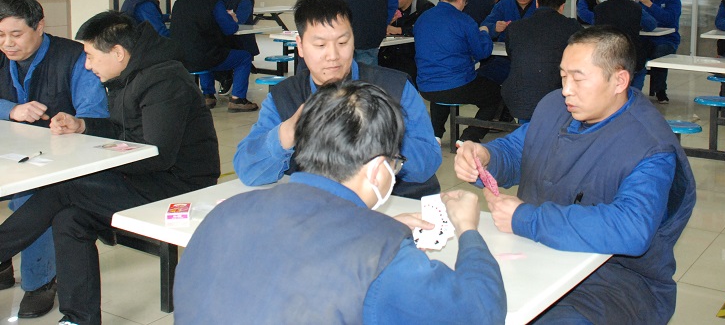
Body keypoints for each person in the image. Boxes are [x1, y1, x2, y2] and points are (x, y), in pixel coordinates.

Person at [177, 82, 506, 324]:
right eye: (396, 163)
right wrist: (468, 230)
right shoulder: (383, 258)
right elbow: (480, 313)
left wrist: (377, 231)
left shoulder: (224, 215)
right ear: (377, 170)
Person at [455, 26, 696, 324]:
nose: (566, 89)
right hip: (537, 252)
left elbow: (631, 228)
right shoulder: (554, 106)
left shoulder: (650, 146)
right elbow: (520, 150)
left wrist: (526, 219)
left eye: (578, 78)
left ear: (619, 80)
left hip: (612, 281)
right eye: (563, 76)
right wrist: (486, 157)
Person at [0, 11, 220, 325]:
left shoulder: (164, 79)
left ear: (117, 52)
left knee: (64, 187)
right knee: (69, 219)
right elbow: (124, 131)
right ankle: (79, 319)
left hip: (179, 187)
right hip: (143, 177)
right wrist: (82, 125)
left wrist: (99, 166)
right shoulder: (129, 74)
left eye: (90, 56)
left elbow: (157, 155)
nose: (87, 65)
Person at [234, 0, 441, 199]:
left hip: (395, 205)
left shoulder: (395, 87)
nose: (333, 56)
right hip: (320, 208)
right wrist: (289, 131)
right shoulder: (284, 97)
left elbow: (428, 163)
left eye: (342, 42)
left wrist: (377, 133)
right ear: (300, 46)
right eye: (320, 45)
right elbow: (249, 171)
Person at [0, 0, 108, 319]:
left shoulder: (74, 57)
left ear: (39, 26)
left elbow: (95, 113)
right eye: (0, 35)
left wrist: (74, 123)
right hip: (13, 152)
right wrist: (12, 110)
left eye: (16, 34)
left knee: (33, 197)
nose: (7, 44)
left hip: (63, 160)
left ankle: (40, 280)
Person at [415, 0, 502, 142]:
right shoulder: (464, 21)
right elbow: (483, 52)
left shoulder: (422, 18)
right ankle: (469, 137)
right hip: (457, 85)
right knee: (496, 95)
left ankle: (435, 135)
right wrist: (484, 32)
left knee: (441, 89)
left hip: (425, 86)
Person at [169, 0, 258, 112]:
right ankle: (238, 99)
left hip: (181, 57)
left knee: (202, 51)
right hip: (205, 57)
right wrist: (231, 19)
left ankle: (208, 95)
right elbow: (230, 29)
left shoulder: (179, 2)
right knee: (243, 57)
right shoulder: (214, 2)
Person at [501, 0, 582, 122]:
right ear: (562, 7)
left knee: (528, 127)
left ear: (537, 3)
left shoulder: (515, 27)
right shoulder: (572, 27)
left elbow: (512, 55)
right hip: (557, 99)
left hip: (518, 98)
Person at [595, 0, 657, 91]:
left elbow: (597, 31)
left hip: (608, 56)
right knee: (639, 69)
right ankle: (634, 95)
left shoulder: (599, 8)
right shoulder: (636, 7)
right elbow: (651, 24)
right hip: (632, 55)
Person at [480, 0, 538, 84]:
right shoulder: (503, 5)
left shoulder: (540, 6)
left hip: (533, 61)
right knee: (480, 77)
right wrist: (494, 28)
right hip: (505, 59)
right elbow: (484, 26)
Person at [638, 0, 682, 104]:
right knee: (635, 53)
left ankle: (660, 90)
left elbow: (669, 19)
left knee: (659, 55)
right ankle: (635, 90)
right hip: (647, 39)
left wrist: (650, 6)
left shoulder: (673, 0)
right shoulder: (644, 0)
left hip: (667, 40)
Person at [379, 0, 434, 82]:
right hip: (390, 57)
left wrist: (398, 30)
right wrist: (387, 22)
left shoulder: (425, 8)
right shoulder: (390, 8)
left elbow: (425, 30)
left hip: (413, 59)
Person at [214, 0, 258, 94]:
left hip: (240, 41)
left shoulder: (244, 0)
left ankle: (229, 79)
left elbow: (239, 22)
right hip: (221, 40)